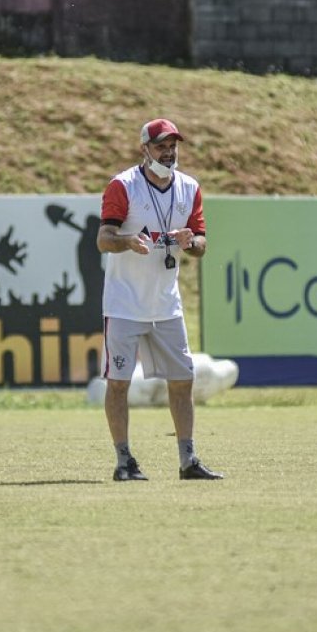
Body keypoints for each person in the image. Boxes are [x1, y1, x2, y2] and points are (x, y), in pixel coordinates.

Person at [97, 118, 223, 481]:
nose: (168, 153)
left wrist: (191, 243)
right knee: (118, 382)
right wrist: (127, 241)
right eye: (160, 147)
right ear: (144, 149)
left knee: (183, 379)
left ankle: (188, 460)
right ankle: (124, 461)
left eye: (173, 146)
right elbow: (104, 239)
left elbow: (201, 243)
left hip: (166, 303)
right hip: (124, 302)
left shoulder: (189, 187)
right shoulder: (123, 185)